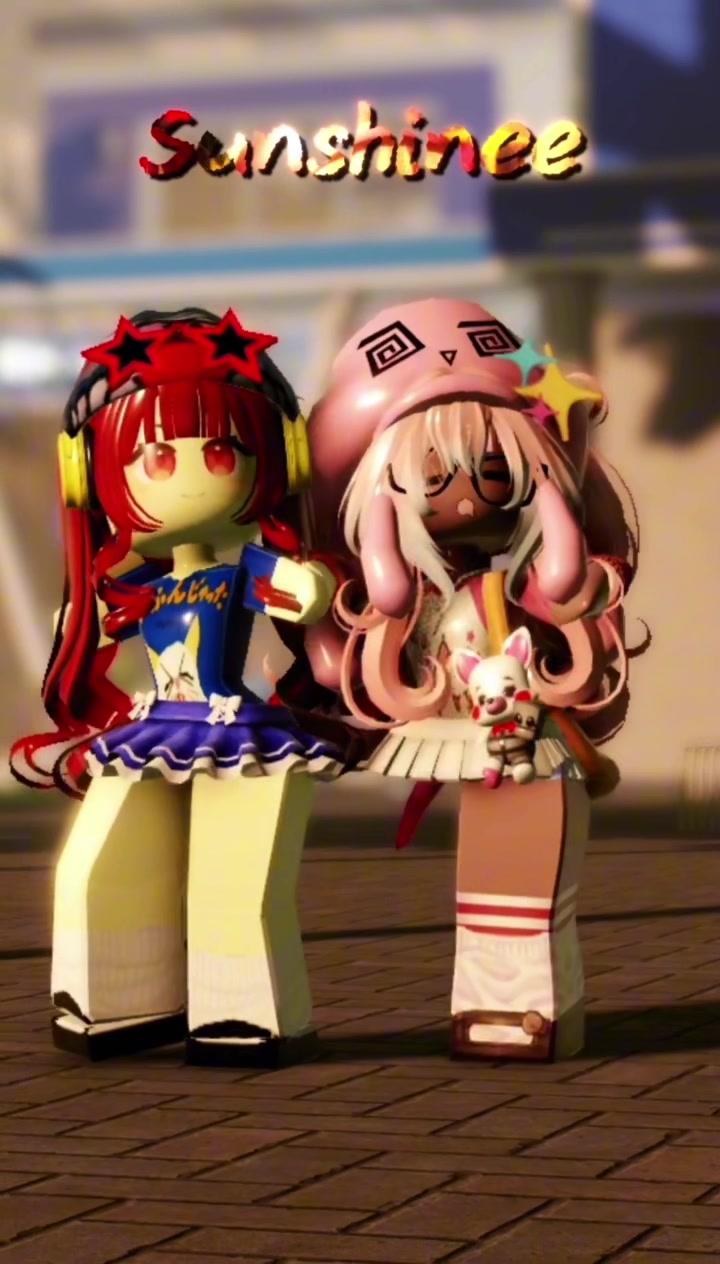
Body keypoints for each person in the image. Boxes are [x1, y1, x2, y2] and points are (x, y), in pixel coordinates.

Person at [283, 296, 642, 1061]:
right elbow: (380, 600)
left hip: (522, 727)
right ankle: (496, 1005)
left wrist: (558, 497)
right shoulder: (412, 599)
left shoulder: (531, 588)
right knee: (496, 853)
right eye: (434, 477)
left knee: (518, 858)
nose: (469, 495)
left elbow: (572, 577)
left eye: (494, 468)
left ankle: (518, 1006)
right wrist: (380, 548)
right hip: (455, 718)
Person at [10, 305, 351, 1067]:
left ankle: (241, 1012)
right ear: (91, 473)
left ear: (279, 460)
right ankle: (115, 998)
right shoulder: (144, 587)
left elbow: (303, 593)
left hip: (238, 730)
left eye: (221, 451)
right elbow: (96, 623)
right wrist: (88, 619)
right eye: (156, 457)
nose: (189, 475)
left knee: (233, 880)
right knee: (97, 867)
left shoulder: (250, 569)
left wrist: (310, 584)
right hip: (156, 724)